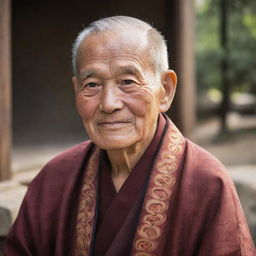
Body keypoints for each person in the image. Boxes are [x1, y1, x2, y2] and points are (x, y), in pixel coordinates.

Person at [4, 16, 255, 256]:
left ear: (165, 90)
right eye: (92, 85)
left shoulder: (207, 183)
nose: (109, 103)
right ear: (76, 90)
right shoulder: (55, 179)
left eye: (127, 81)